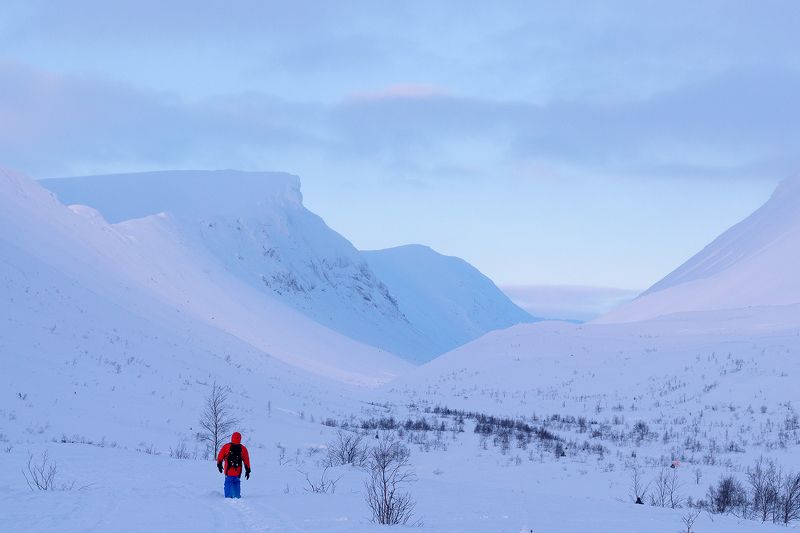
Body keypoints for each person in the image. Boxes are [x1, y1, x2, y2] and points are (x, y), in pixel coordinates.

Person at [217, 431, 251, 498]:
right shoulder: (243, 449)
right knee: (236, 482)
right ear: (240, 438)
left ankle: (228, 496)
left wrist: (219, 464)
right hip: (238, 472)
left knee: (228, 483)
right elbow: (246, 461)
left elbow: (220, 456)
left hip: (228, 471)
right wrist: (248, 470)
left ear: (232, 437)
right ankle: (237, 496)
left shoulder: (226, 446)